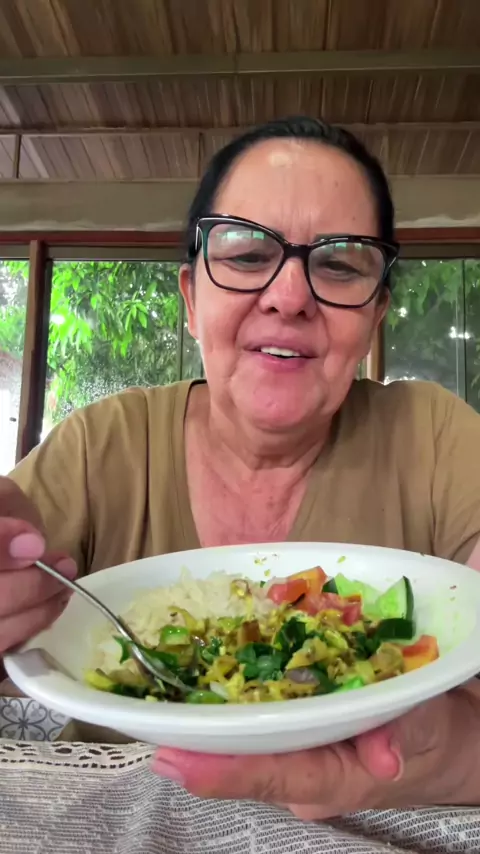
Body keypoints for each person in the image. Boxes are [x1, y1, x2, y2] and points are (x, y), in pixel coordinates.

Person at [2, 115, 480, 817]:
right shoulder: (103, 445)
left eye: (340, 264)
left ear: (375, 317)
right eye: (248, 254)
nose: (289, 296)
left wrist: (450, 760)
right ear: (191, 299)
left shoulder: (434, 435)